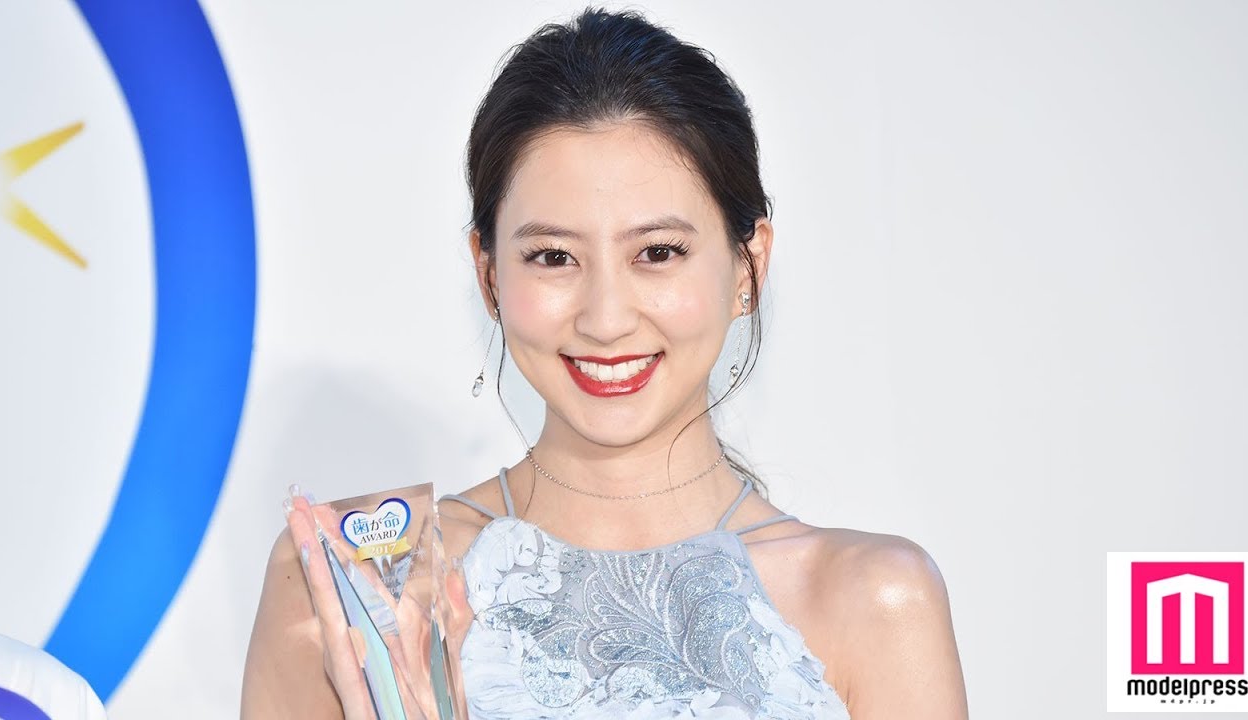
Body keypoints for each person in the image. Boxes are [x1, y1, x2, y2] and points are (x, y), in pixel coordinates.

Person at [243, 6, 968, 719]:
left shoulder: (875, 602)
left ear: (749, 266)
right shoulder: (356, 589)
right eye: (553, 257)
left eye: (658, 252)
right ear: (489, 275)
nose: (606, 318)